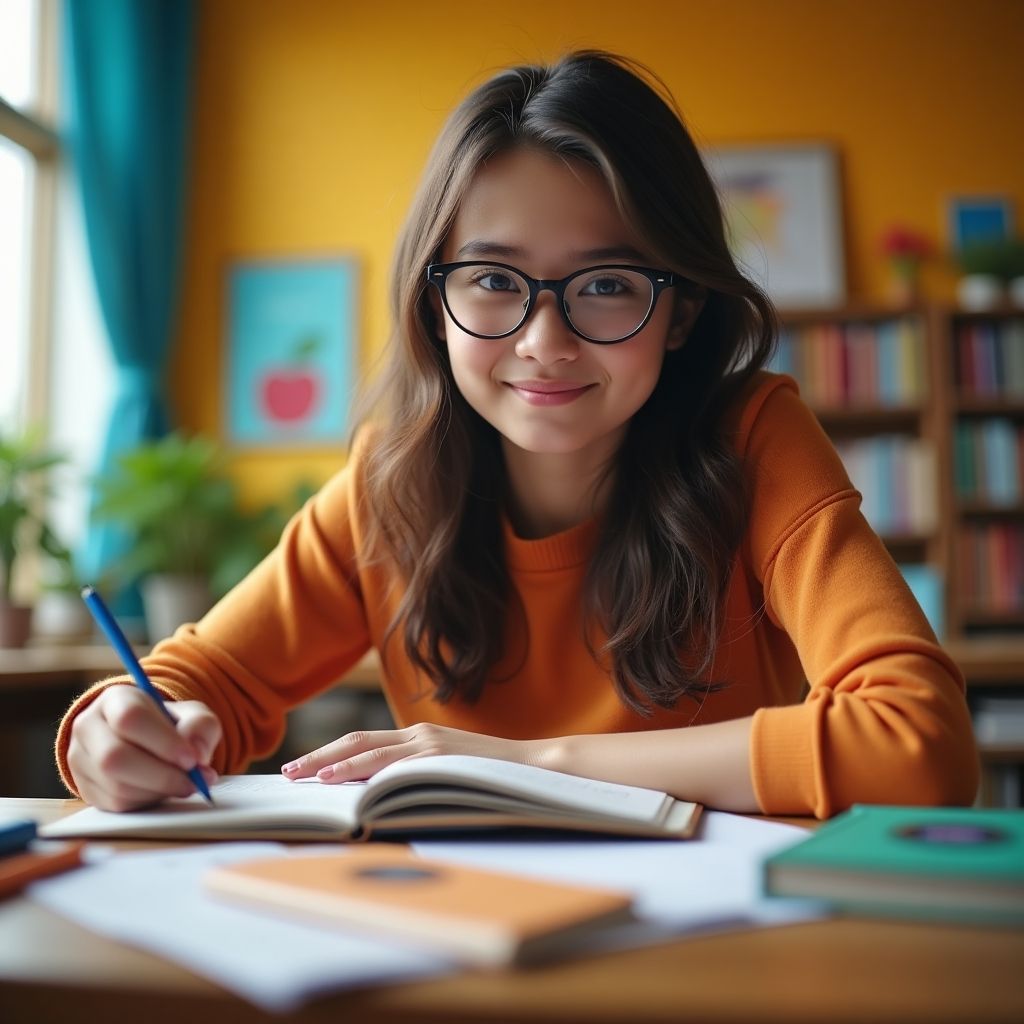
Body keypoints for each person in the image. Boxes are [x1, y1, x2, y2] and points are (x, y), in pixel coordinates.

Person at [57, 50, 978, 818]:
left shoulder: (755, 438)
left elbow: (918, 745)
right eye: (494, 281)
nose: (546, 343)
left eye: (608, 283)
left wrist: (523, 762)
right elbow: (197, 681)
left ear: (684, 309)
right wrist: (119, 727)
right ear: (437, 299)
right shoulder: (391, 480)